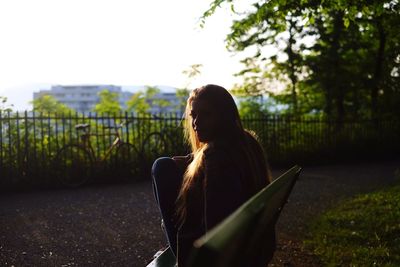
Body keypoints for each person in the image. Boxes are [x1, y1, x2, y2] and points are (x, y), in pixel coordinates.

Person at [152, 84, 275, 266]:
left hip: (217, 259)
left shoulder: (217, 160)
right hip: (254, 249)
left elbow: (215, 231)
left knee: (161, 167)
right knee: (167, 165)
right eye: (194, 115)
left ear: (223, 116)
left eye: (206, 115)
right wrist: (188, 159)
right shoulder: (246, 143)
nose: (196, 123)